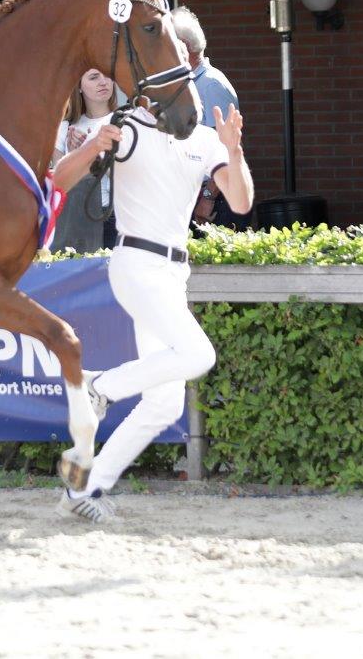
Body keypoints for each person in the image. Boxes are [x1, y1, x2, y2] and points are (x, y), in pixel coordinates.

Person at [50, 99, 254, 523]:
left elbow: (240, 202)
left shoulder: (203, 138)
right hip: (137, 263)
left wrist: (234, 151)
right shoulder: (124, 126)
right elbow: (60, 180)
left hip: (173, 272)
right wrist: (92, 147)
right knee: (200, 355)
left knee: (163, 405)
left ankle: (84, 487)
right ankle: (101, 387)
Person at [171, 6, 248, 230]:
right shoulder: (189, 83)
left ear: (184, 46)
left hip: (216, 199)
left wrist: (208, 197)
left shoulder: (211, 85)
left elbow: (226, 148)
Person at [49, 68, 120, 252]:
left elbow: (129, 173)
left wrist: (90, 155)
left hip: (114, 217)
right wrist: (74, 154)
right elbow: (59, 182)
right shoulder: (65, 128)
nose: (103, 82)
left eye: (107, 76)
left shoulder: (126, 121)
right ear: (79, 86)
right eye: (94, 77)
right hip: (75, 219)